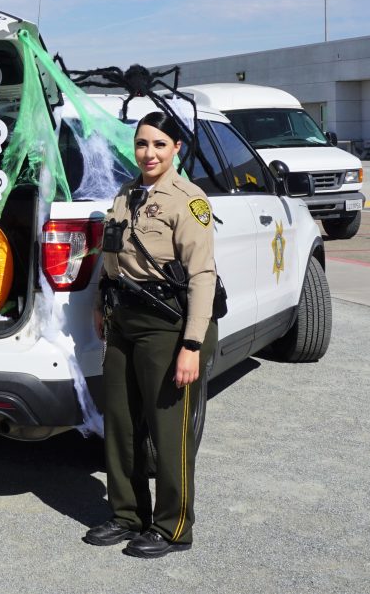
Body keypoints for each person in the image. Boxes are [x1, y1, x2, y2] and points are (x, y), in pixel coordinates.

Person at [84, 111, 219, 559]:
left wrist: (192, 344)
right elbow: (112, 259)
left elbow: (202, 275)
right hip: (125, 320)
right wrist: (100, 308)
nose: (149, 153)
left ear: (176, 148)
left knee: (168, 431)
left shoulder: (189, 200)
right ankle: (127, 515)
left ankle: (172, 526)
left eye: (160, 144)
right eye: (142, 144)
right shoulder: (126, 193)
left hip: (170, 325)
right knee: (120, 424)